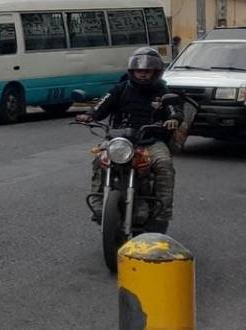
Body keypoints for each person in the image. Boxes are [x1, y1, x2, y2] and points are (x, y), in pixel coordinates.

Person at [76, 47, 182, 233]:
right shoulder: (121, 89)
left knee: (164, 164)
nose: (142, 74)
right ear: (132, 71)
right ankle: (99, 205)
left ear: (156, 72)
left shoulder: (163, 91)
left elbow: (174, 111)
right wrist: (89, 115)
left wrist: (173, 119)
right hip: (120, 140)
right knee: (100, 160)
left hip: (151, 141)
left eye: (147, 71)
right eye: (139, 71)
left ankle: (162, 213)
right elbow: (101, 105)